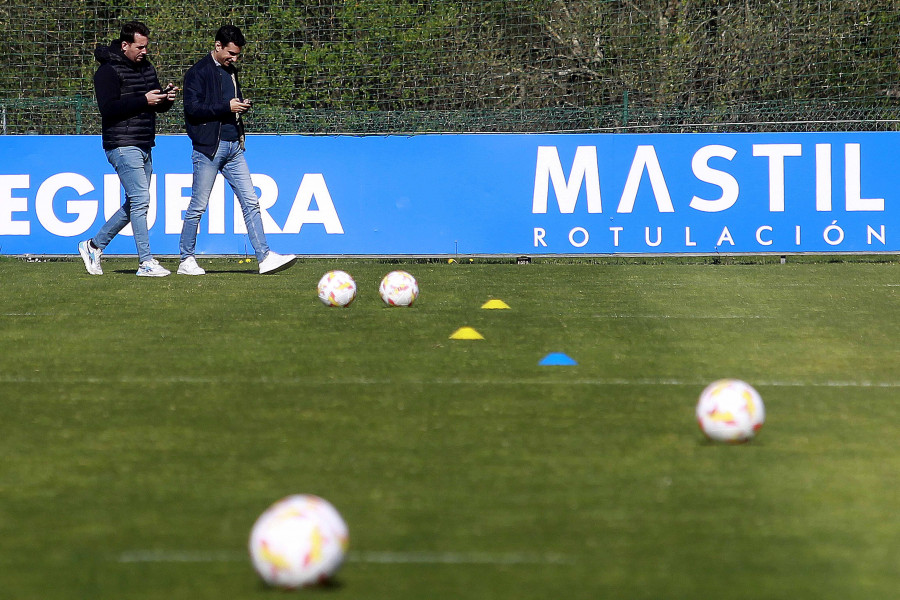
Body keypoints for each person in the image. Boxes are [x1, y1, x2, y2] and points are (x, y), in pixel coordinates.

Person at [178, 24, 296, 276]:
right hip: (208, 149)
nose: (234, 58)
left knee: (251, 201)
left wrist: (240, 105)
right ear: (218, 46)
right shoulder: (197, 72)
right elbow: (192, 109)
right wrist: (226, 107)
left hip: (234, 147)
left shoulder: (232, 72)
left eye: (237, 54)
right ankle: (185, 260)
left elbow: (229, 104)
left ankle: (264, 257)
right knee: (198, 206)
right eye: (230, 53)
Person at [79, 21, 177, 277]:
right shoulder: (107, 71)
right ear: (125, 45)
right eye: (139, 47)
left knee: (135, 203)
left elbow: (152, 106)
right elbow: (108, 109)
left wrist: (165, 100)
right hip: (121, 144)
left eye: (146, 46)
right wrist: (143, 100)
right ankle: (146, 262)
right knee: (141, 201)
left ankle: (93, 245)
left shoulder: (147, 68)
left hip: (144, 142)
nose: (144, 51)